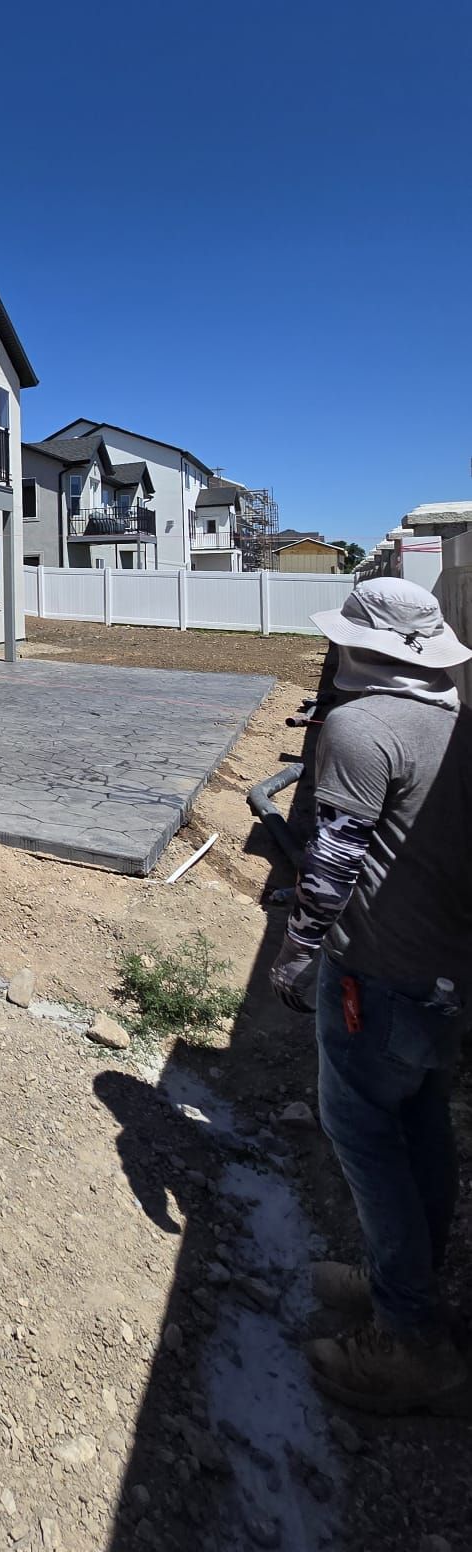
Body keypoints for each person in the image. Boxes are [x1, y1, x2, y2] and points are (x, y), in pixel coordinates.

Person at [269, 576, 472, 1413]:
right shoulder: (454, 721)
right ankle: (403, 1283)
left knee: (366, 1143)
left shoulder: (361, 727)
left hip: (378, 974)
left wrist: (295, 959)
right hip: (445, 980)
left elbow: (331, 866)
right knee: (422, 1129)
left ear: (364, 650)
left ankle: (405, 1337)